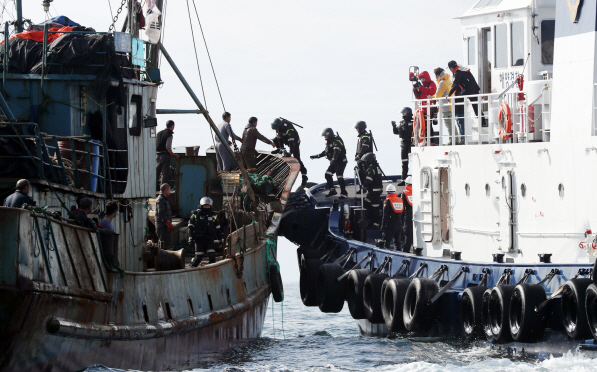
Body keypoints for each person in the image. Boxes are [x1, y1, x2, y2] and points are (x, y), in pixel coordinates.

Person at [447, 60, 480, 145]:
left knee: (461, 118)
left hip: (468, 92)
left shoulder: (458, 73)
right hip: (473, 90)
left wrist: (449, 94)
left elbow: (455, 85)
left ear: (451, 68)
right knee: (477, 108)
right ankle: (482, 122)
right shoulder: (463, 70)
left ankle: (463, 137)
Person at [310, 128, 348, 199]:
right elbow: (326, 152)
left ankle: (344, 193)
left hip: (340, 162)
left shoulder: (336, 141)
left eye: (326, 136)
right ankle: (332, 190)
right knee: (327, 174)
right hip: (334, 162)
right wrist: (316, 156)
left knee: (339, 177)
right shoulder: (329, 142)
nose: (325, 138)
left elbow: (337, 152)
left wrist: (333, 159)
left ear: (329, 135)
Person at [271, 118, 308, 186]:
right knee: (275, 139)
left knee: (297, 159)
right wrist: (281, 149)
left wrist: (290, 153)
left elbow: (292, 143)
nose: (277, 130)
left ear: (280, 126)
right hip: (285, 139)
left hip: (294, 142)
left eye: (277, 128)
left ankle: (304, 175)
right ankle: (279, 149)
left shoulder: (289, 129)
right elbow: (279, 139)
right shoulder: (279, 129)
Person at [188, 197, 223, 266]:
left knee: (212, 256)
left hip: (209, 239)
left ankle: (210, 271)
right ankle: (192, 268)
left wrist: (220, 239)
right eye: (205, 206)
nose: (206, 207)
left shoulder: (213, 215)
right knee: (198, 257)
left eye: (208, 206)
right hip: (199, 239)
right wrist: (190, 238)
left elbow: (218, 228)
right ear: (201, 206)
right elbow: (190, 227)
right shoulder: (195, 215)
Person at [413, 70, 438, 145]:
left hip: (430, 109)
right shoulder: (422, 87)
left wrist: (420, 88)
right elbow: (418, 98)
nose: (422, 80)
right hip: (423, 109)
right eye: (421, 79)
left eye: (423, 78)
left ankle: (431, 142)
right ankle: (428, 141)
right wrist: (415, 89)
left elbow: (431, 92)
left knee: (429, 126)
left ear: (426, 77)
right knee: (425, 126)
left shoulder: (431, 83)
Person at [361, 153, 383, 229]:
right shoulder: (376, 167)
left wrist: (364, 186)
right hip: (374, 190)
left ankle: (376, 224)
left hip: (374, 191)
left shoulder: (371, 169)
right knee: (366, 202)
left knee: (375, 207)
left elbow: (369, 179)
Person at [433, 67, 455, 145]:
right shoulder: (448, 80)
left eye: (435, 75)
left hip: (445, 107)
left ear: (437, 75)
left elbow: (438, 95)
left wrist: (431, 97)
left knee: (448, 124)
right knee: (452, 124)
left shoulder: (442, 82)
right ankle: (456, 139)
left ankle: (453, 141)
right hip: (451, 105)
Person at [393, 107, 413, 186]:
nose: (403, 115)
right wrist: (394, 126)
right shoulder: (401, 123)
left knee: (414, 162)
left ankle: (416, 179)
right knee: (404, 163)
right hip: (404, 144)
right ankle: (403, 179)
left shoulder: (414, 121)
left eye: (404, 113)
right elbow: (396, 132)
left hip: (412, 144)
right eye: (402, 113)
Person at [156, 120, 179, 188]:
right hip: (165, 155)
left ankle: (152, 189)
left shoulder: (159, 133)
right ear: (172, 126)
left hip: (157, 155)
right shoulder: (169, 134)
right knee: (165, 174)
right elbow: (168, 147)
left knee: (156, 173)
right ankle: (163, 190)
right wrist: (174, 155)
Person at [381, 184, 403, 250]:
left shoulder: (388, 201)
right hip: (399, 223)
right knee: (397, 242)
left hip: (391, 224)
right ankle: (399, 256)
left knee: (386, 241)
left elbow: (385, 215)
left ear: (387, 192)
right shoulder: (400, 200)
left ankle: (387, 256)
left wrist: (383, 225)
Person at [354, 121, 372, 194]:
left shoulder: (365, 136)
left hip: (365, 159)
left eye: (357, 128)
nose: (357, 130)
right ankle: (362, 188)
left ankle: (365, 188)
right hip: (361, 159)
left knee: (364, 173)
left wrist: (359, 156)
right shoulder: (362, 136)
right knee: (360, 173)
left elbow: (364, 148)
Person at [156, 183, 174, 249]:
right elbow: (161, 213)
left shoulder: (164, 199)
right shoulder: (161, 199)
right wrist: (168, 223)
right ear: (166, 190)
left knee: (166, 244)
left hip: (164, 226)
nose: (170, 191)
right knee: (163, 245)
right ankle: (162, 259)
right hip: (162, 227)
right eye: (169, 190)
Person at [400, 176, 413, 252]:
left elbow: (402, 204)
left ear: (406, 184)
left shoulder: (404, 192)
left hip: (407, 214)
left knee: (407, 231)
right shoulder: (416, 191)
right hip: (416, 213)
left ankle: (406, 249)